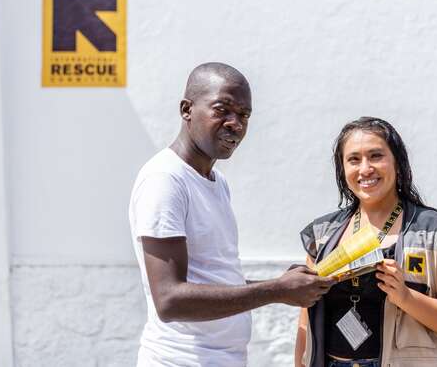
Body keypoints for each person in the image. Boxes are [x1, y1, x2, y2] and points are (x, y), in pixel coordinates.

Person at [129, 62, 334, 367]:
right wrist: (276, 291)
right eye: (222, 109)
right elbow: (170, 300)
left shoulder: (215, 182)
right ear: (187, 109)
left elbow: (215, 279)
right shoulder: (166, 179)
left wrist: (282, 284)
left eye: (244, 115)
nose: (235, 123)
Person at [295, 117, 437, 367]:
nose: (365, 168)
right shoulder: (324, 235)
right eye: (354, 159)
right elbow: (305, 322)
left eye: (376, 156)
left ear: (398, 164)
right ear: (342, 169)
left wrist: (406, 298)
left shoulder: (432, 231)